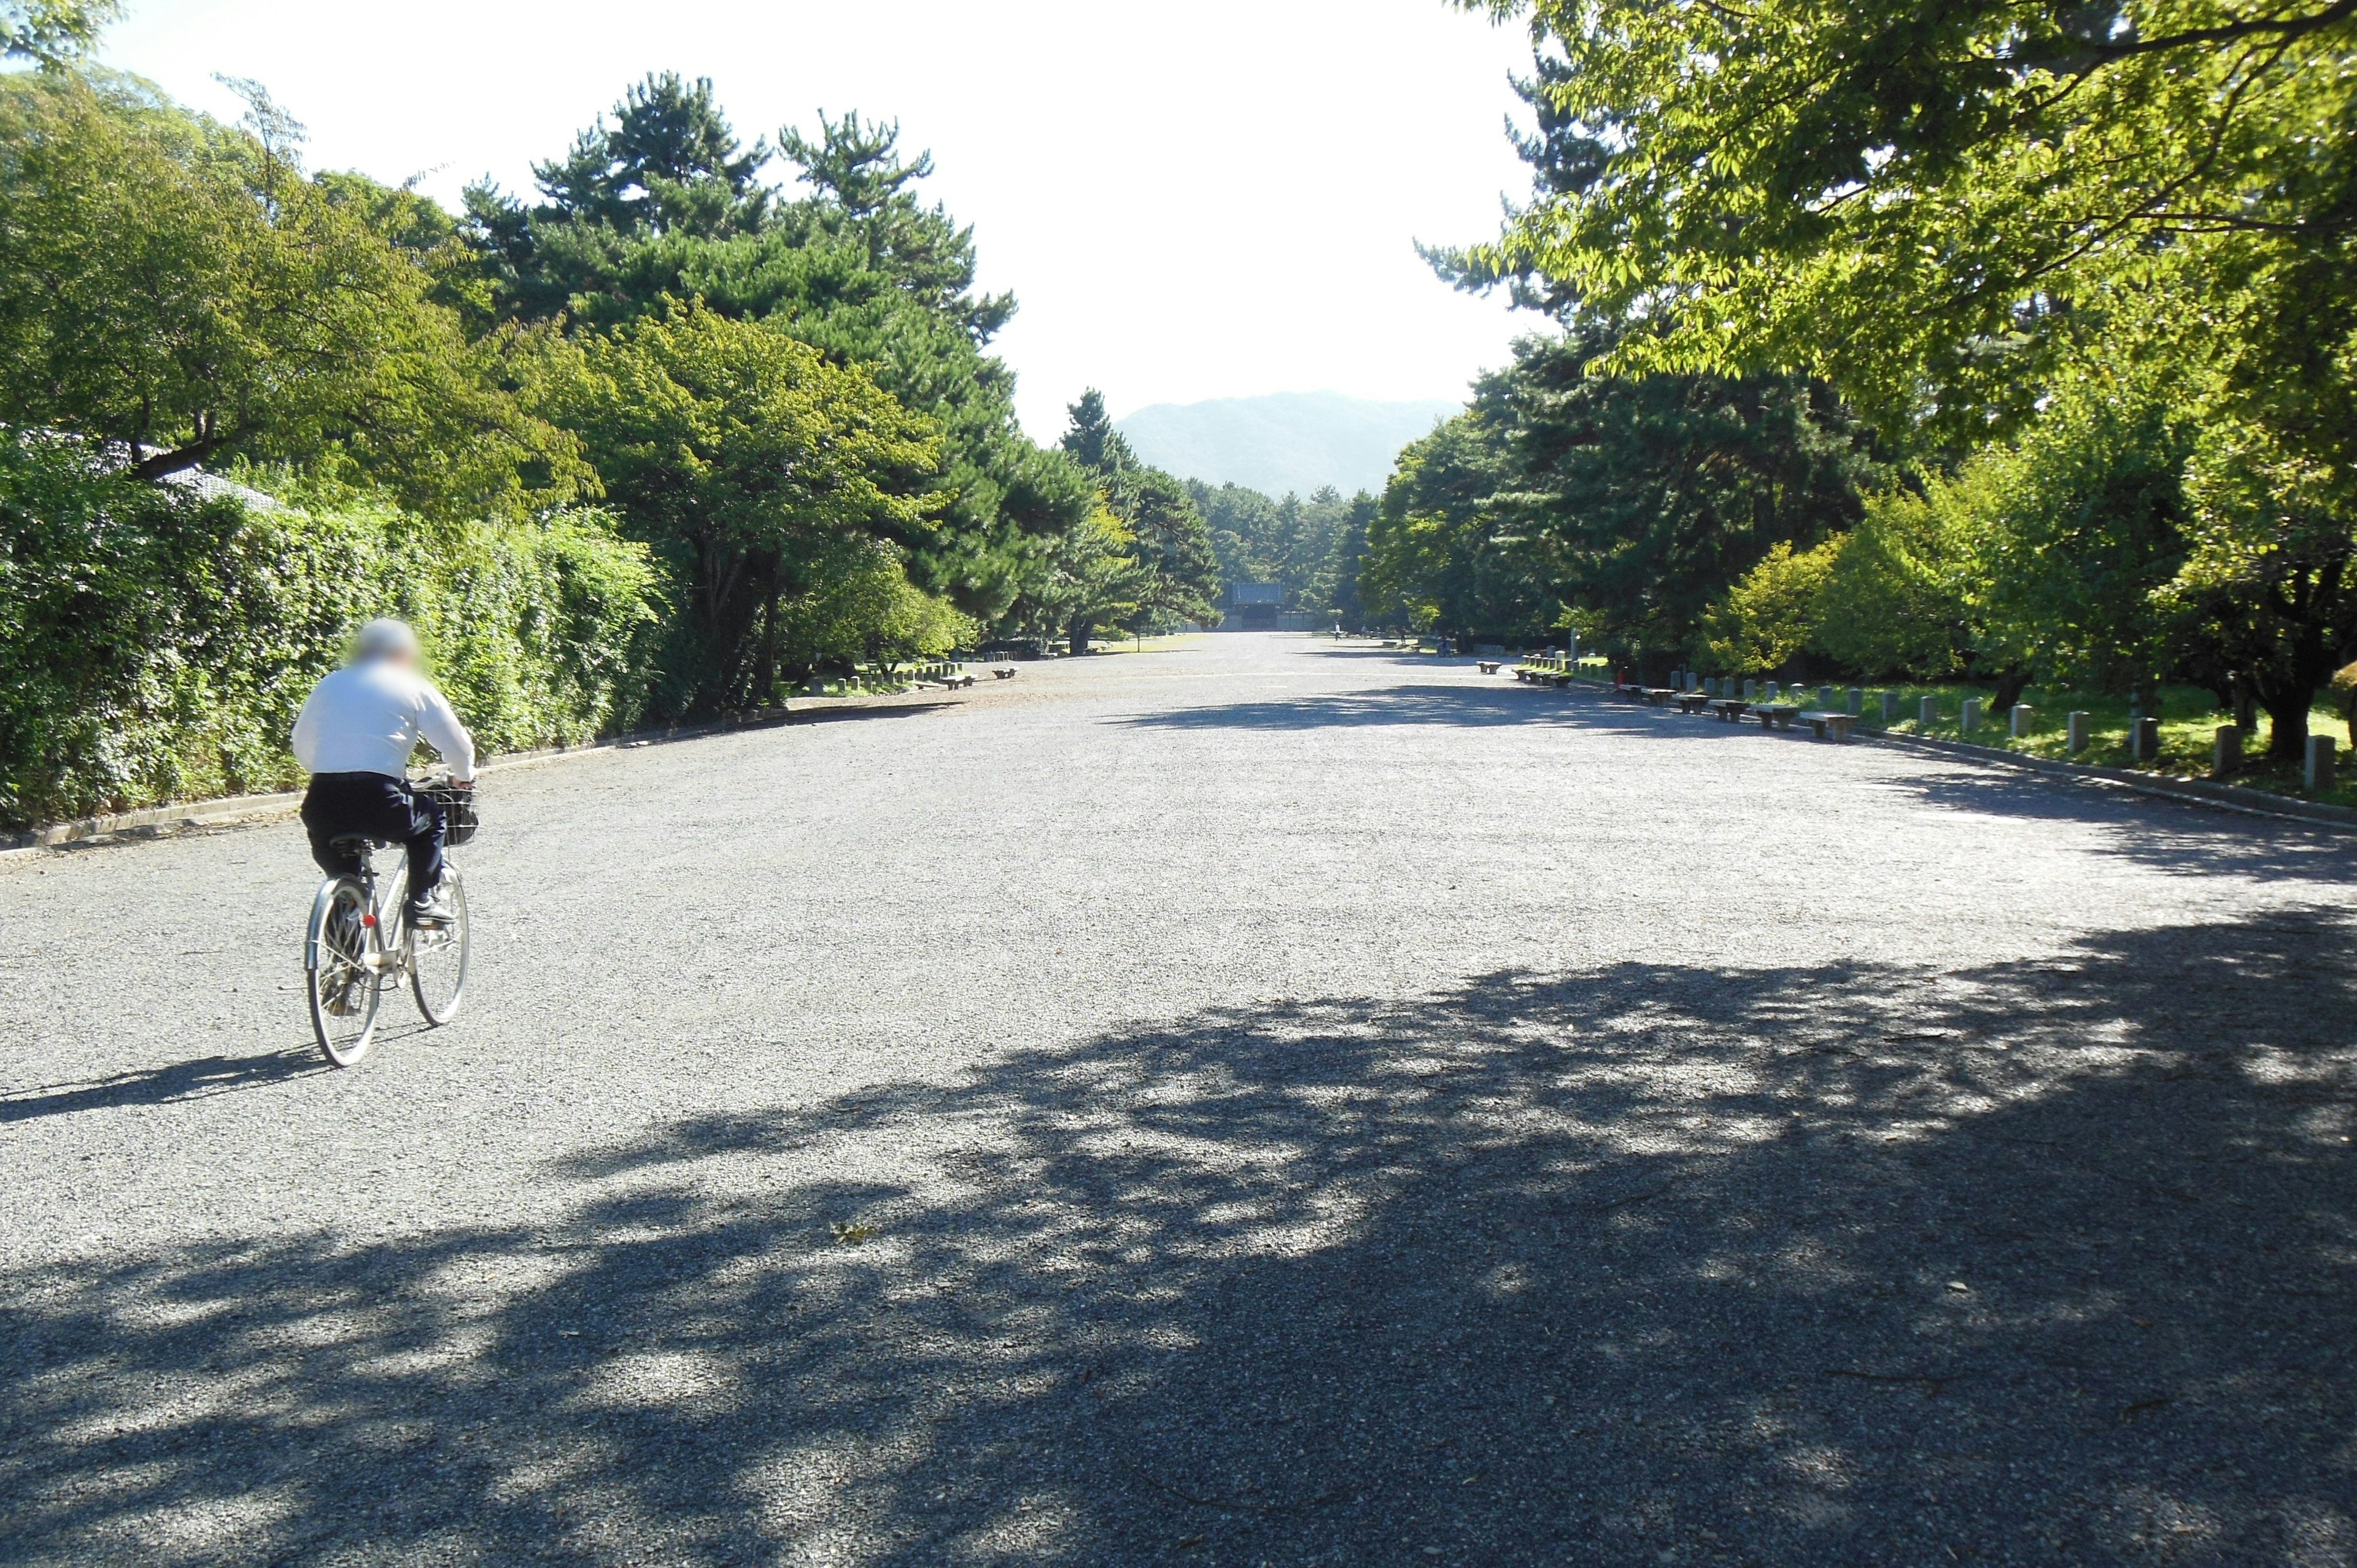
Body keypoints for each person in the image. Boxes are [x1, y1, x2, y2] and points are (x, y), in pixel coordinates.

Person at [290, 619, 475, 926]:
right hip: (381, 800)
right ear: (403, 653)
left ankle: (345, 942)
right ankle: (420, 903)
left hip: (322, 802)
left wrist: (331, 768)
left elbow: (301, 742)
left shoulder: (330, 683)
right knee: (432, 819)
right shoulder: (411, 684)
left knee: (343, 876)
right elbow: (457, 745)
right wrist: (463, 775)